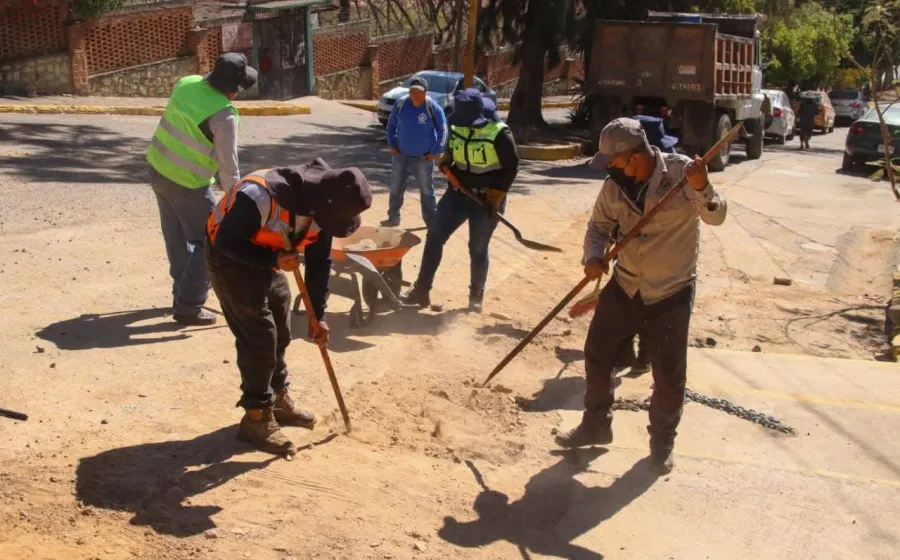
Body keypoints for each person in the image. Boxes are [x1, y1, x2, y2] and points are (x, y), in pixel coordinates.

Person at [557, 118, 727, 475]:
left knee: (668, 376)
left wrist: (703, 187)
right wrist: (592, 258)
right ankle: (596, 425)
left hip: (670, 291)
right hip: (626, 284)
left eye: (614, 162)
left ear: (634, 156)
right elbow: (598, 228)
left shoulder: (682, 174)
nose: (611, 170)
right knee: (598, 353)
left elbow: (716, 216)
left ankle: (662, 444)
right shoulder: (613, 187)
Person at [205, 159, 372, 455]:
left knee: (282, 327)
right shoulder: (258, 198)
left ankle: (278, 398)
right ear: (320, 205)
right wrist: (274, 260)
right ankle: (256, 417)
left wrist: (317, 315)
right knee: (260, 337)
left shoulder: (324, 208)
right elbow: (226, 242)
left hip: (269, 258)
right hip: (230, 259)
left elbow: (320, 263)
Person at [147, 53, 257, 326]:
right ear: (233, 90)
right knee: (212, 241)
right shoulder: (224, 115)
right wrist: (235, 202)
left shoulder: (187, 83)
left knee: (175, 237)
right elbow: (228, 167)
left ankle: (181, 293)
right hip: (189, 183)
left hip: (158, 169)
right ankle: (189, 306)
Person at [401, 88, 518, 312]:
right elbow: (451, 148)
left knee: (478, 248)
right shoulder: (455, 126)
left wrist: (496, 196)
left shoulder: (499, 133)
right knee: (435, 235)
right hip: (457, 194)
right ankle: (421, 291)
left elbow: (511, 167)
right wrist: (447, 159)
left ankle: (476, 298)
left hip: (486, 198)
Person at [382, 76, 448, 227]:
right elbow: (391, 126)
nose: (415, 95)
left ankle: (431, 221)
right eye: (412, 92)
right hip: (401, 155)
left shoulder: (432, 107)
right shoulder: (401, 104)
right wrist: (392, 144)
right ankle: (393, 217)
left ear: (425, 92)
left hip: (423, 158)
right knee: (396, 187)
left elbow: (443, 130)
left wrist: (436, 151)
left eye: (418, 92)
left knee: (426, 190)